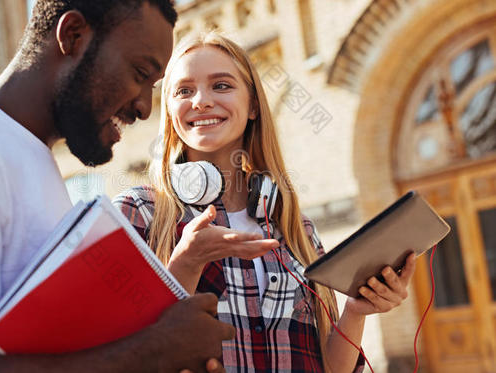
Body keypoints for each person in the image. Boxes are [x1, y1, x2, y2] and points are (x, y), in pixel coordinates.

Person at [0, 0, 235, 372]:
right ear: (72, 36)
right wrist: (152, 351)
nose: (143, 106)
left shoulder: (29, 161)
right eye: (140, 74)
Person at [114, 32, 417, 373]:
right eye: (183, 90)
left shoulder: (296, 229)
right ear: (169, 111)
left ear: (254, 105)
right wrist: (185, 264)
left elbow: (331, 368)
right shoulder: (137, 214)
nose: (200, 100)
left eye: (222, 85)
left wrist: (356, 310)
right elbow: (123, 355)